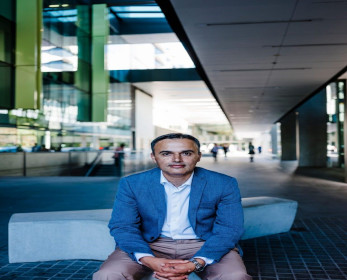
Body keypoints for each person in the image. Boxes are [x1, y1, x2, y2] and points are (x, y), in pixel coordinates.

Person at [93, 133, 251, 280]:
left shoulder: (224, 183)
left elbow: (230, 228)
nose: (177, 159)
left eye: (186, 153)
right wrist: (148, 259)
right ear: (154, 157)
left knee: (235, 276)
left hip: (204, 242)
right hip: (149, 242)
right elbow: (122, 226)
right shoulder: (132, 184)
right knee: (107, 275)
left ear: (198, 156)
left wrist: (195, 263)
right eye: (166, 153)